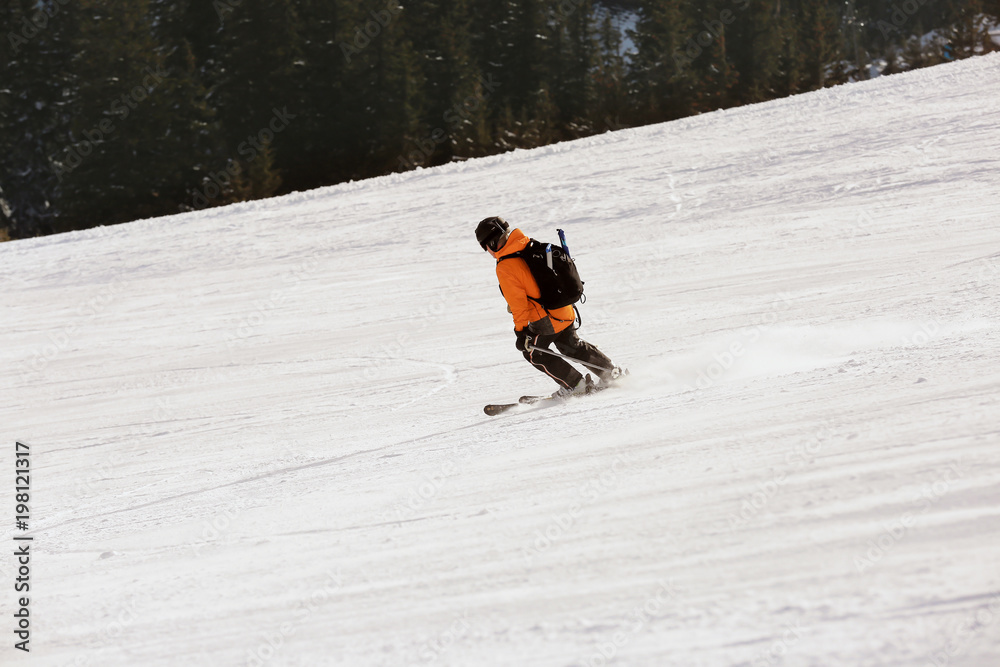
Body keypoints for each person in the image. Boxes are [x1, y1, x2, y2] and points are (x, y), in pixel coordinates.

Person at [476, 216, 622, 398]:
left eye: (485, 247)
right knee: (572, 345)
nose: (488, 252)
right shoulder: (527, 244)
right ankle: (612, 373)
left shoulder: (505, 265)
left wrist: (521, 333)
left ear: (492, 242)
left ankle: (575, 385)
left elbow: (519, 305)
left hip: (545, 319)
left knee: (534, 353)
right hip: (565, 309)